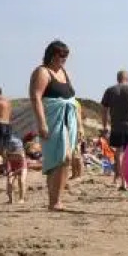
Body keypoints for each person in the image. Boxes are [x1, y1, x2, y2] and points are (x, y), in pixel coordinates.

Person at [29, 40, 83, 211]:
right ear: (52, 55)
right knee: (59, 158)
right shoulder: (42, 72)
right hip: (53, 119)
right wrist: (42, 123)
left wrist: (80, 125)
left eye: (66, 56)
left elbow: (73, 100)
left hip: (69, 119)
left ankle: (56, 199)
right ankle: (54, 201)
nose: (64, 59)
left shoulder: (65, 72)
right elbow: (36, 97)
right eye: (61, 55)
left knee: (66, 159)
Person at [101, 70, 128, 190]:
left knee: (118, 153)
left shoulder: (110, 91)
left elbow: (104, 110)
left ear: (117, 78)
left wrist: (104, 125)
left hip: (116, 126)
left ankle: (122, 182)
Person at [5, 137, 27, 204]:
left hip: (22, 168)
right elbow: (8, 165)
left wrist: (14, 173)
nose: (14, 155)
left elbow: (22, 167)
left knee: (21, 180)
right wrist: (8, 172)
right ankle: (10, 199)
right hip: (13, 168)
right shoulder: (8, 155)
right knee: (9, 181)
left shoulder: (21, 155)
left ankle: (22, 198)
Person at [0, 86, 12, 158]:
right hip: (8, 124)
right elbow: (10, 114)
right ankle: (5, 164)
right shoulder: (8, 102)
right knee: (5, 146)